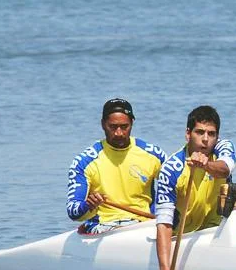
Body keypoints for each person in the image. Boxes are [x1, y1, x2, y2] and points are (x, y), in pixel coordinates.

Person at [155, 105, 236, 270]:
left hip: (217, 230)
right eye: (200, 132)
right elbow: (164, 224)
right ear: (188, 134)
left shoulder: (223, 148)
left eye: (211, 133)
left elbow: (224, 169)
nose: (206, 139)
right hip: (183, 234)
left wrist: (206, 166)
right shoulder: (171, 169)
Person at [67, 98, 167, 235]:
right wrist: (88, 205)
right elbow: (73, 212)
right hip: (104, 226)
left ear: (132, 124)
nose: (119, 133)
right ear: (103, 124)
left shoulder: (153, 155)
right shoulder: (84, 161)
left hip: (144, 224)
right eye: (113, 127)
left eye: (124, 127)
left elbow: (178, 191)